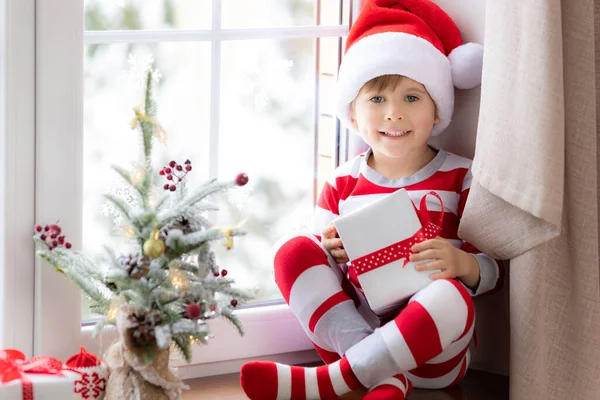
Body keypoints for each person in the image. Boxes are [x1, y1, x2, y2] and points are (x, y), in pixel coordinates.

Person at [240, 1, 504, 399]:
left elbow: (494, 272)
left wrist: (462, 264)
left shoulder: (461, 176)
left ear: (437, 110)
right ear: (353, 112)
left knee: (450, 296)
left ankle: (335, 382)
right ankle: (378, 375)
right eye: (377, 100)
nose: (394, 114)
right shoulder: (344, 181)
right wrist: (328, 248)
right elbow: (314, 263)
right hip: (358, 336)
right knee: (292, 251)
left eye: (412, 98)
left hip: (434, 358)